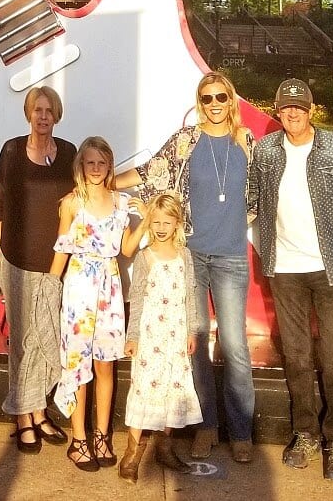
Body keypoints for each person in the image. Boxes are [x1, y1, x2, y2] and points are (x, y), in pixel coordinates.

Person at [116, 71, 255, 463]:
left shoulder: (246, 143)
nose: (214, 105)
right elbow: (149, 174)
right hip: (192, 256)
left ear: (232, 100)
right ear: (200, 101)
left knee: (235, 345)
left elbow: (261, 190)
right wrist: (104, 180)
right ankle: (206, 427)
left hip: (230, 258)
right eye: (207, 98)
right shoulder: (186, 141)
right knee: (194, 345)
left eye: (221, 98)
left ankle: (242, 431)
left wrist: (239, 220)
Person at [248, 78, 333, 482]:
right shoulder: (266, 151)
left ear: (312, 110)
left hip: (331, 266)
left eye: (299, 108)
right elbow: (250, 198)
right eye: (285, 108)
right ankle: (305, 433)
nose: (292, 114)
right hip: (285, 269)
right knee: (298, 357)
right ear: (278, 110)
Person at [50, 137, 145, 472]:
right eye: (89, 162)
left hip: (109, 287)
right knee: (77, 365)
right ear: (81, 166)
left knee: (106, 364)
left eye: (101, 163)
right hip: (78, 287)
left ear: (109, 166)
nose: (95, 168)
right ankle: (79, 439)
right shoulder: (73, 203)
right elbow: (62, 248)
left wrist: (145, 218)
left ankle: (102, 435)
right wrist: (50, 288)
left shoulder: (121, 203)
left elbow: (128, 250)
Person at [0, 85, 76, 455]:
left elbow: (77, 204)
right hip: (17, 260)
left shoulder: (69, 153)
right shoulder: (11, 151)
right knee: (22, 344)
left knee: (46, 341)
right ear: (29, 113)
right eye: (37, 110)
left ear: (56, 115)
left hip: (54, 262)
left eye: (48, 110)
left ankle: (39, 409)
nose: (43, 116)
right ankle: (25, 417)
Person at [120, 193, 203, 481]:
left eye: (167, 222)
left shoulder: (185, 256)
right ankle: (132, 452)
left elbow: (191, 295)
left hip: (176, 335)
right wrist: (133, 337)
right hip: (151, 336)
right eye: (155, 222)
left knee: (172, 388)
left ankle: (165, 448)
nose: (161, 227)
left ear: (178, 224)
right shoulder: (145, 257)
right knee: (145, 388)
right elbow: (138, 297)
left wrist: (192, 330)